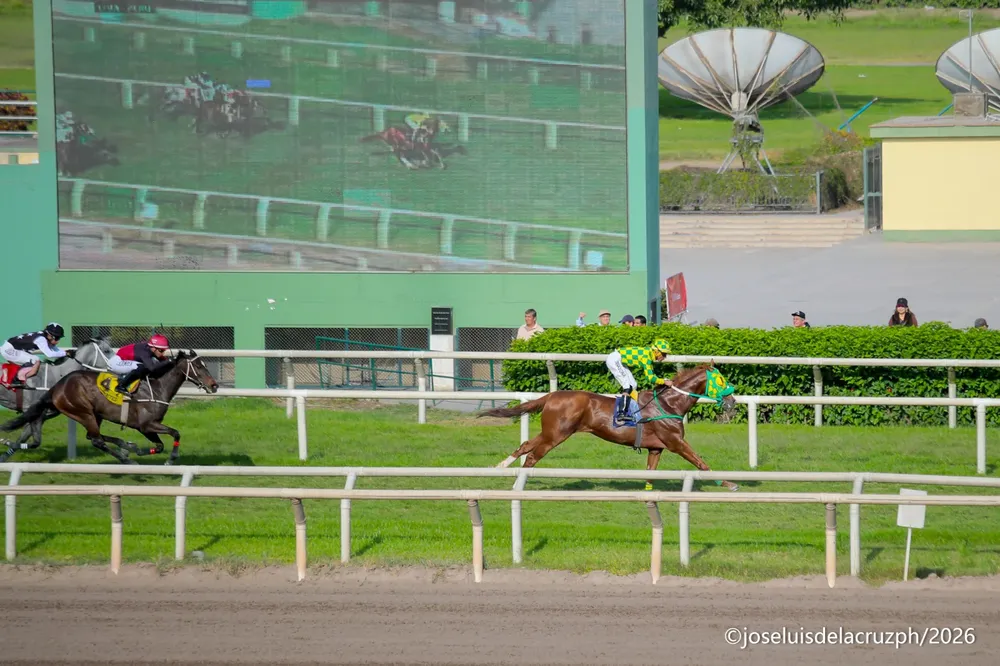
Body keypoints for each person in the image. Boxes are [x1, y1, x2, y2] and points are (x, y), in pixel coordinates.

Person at [606, 338, 673, 423]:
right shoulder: (646, 357)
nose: (665, 357)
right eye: (664, 354)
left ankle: (632, 411)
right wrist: (664, 382)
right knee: (627, 386)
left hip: (619, 360)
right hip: (615, 359)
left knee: (633, 385)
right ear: (657, 351)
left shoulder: (649, 354)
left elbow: (652, 375)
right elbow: (650, 378)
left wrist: (663, 380)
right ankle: (621, 414)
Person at [1, 323, 68, 387]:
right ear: (50, 335)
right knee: (35, 360)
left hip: (12, 349)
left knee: (35, 361)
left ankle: (14, 375)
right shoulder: (41, 339)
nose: (58, 341)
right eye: (57, 338)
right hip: (9, 350)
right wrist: (66, 353)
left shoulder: (45, 337)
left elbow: (55, 349)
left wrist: (67, 352)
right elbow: (49, 354)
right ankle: (16, 380)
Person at [108, 334, 173, 394]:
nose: (163, 353)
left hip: (125, 360)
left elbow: (164, 361)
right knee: (142, 367)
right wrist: (168, 361)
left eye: (164, 350)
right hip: (116, 362)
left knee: (148, 366)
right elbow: (152, 367)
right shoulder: (144, 352)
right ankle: (121, 386)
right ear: (153, 348)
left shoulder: (151, 349)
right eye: (161, 350)